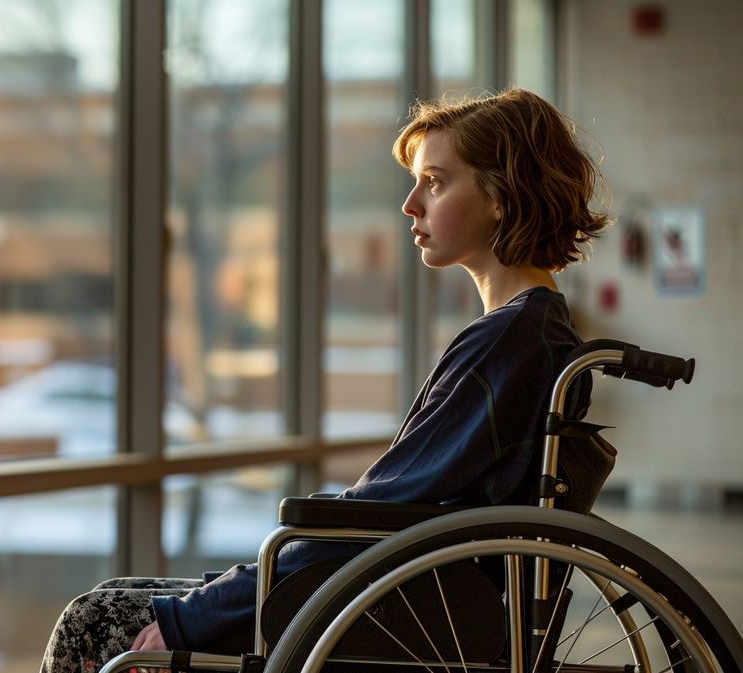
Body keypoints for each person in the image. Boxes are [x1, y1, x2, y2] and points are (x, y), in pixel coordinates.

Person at [40, 87, 610, 673]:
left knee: (94, 619)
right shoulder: (537, 333)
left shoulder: (506, 343)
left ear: (500, 195)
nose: (410, 205)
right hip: (421, 600)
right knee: (130, 591)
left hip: (398, 613)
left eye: (435, 182)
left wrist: (198, 615)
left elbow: (376, 513)